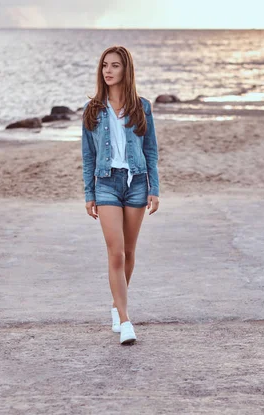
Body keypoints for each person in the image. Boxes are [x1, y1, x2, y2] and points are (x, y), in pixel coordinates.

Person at [81, 45, 160, 345]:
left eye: (115, 65)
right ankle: (125, 321)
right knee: (115, 252)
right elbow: (88, 155)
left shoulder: (143, 107)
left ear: (126, 71)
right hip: (107, 183)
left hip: (137, 182)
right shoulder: (92, 110)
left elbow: (150, 150)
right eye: (104, 65)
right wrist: (89, 193)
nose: (108, 71)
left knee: (128, 252)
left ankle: (117, 305)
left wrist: (154, 188)